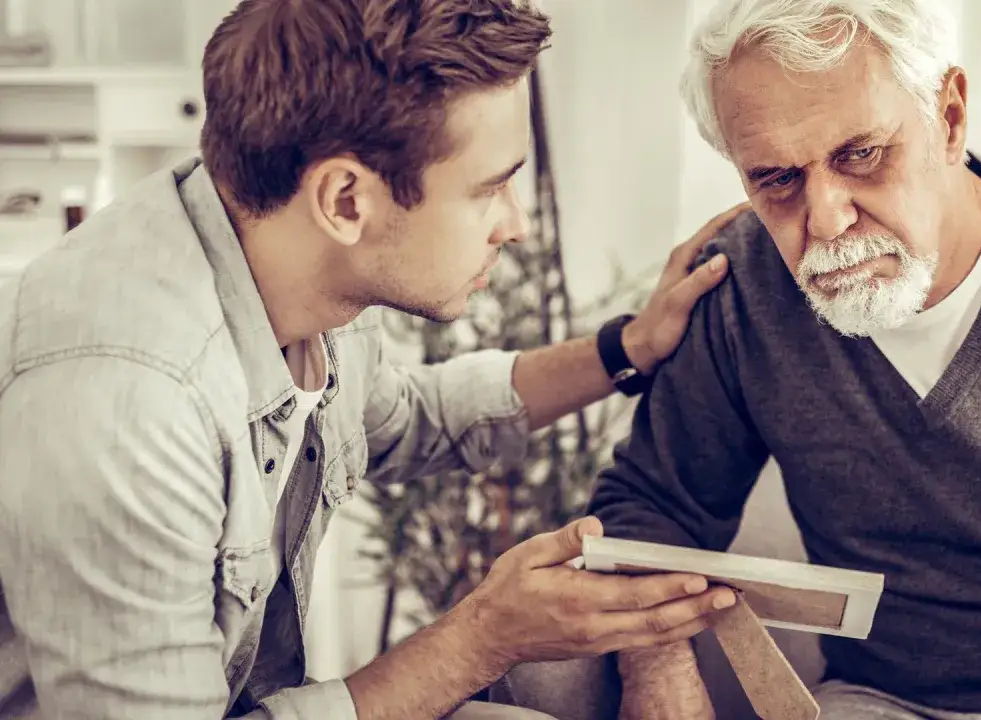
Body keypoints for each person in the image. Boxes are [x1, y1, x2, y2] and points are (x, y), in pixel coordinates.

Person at [500, 0, 981, 719]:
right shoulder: (740, 286)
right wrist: (658, 668)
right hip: (885, 701)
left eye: (862, 154)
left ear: (948, 117)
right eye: (776, 178)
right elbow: (653, 504)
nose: (826, 218)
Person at [0, 1, 746, 719]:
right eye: (489, 188)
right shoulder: (127, 405)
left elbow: (403, 416)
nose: (515, 225)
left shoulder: (295, 268)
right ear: (347, 200)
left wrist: (627, 347)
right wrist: (485, 635)